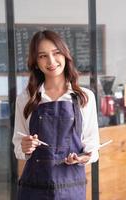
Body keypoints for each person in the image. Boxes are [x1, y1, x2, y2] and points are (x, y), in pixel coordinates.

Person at [12, 30, 100, 200]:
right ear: (36, 62)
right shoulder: (26, 98)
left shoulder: (85, 97)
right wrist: (25, 147)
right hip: (34, 186)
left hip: (71, 186)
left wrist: (83, 157)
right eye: (42, 56)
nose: (51, 61)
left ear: (65, 55)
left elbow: (92, 145)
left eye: (56, 53)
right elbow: (18, 145)